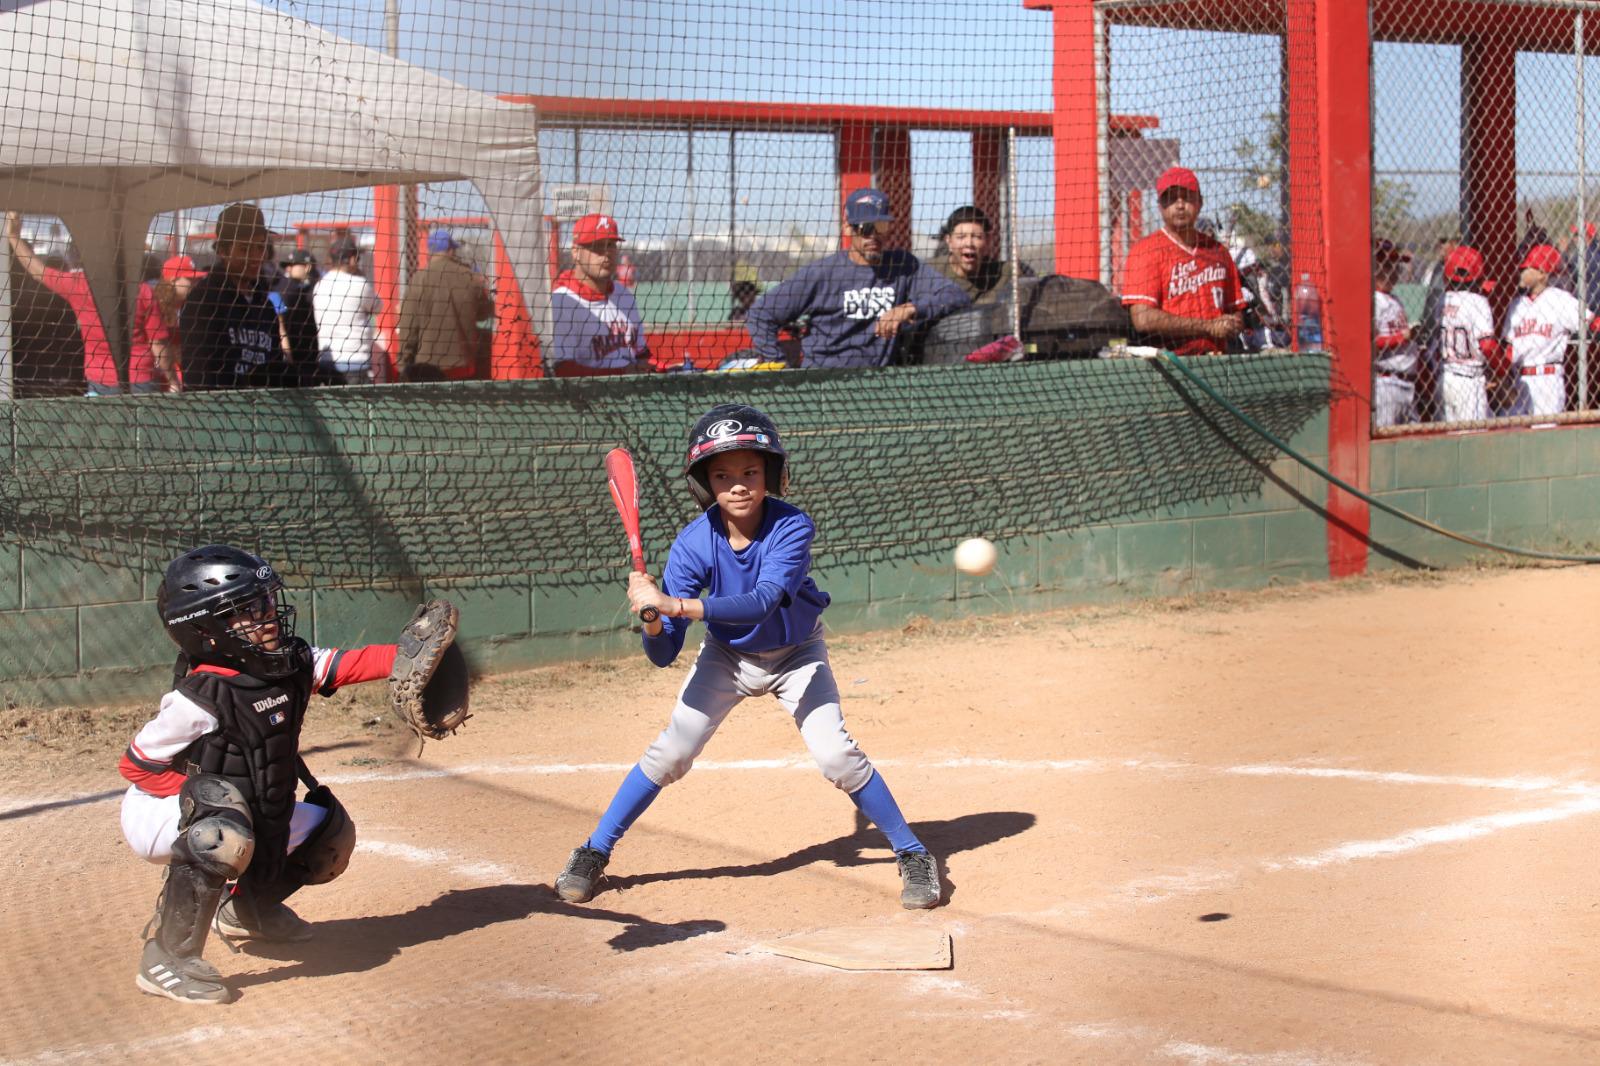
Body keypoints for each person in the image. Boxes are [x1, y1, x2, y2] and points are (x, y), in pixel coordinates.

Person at [553, 404, 942, 911]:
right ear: (704, 484)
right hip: (728, 657)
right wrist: (652, 615)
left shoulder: (792, 527)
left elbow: (762, 600)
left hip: (797, 654)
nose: (738, 485)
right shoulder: (693, 545)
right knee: (670, 752)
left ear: (772, 475)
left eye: (750, 472)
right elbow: (663, 651)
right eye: (723, 475)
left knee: (836, 756)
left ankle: (913, 853)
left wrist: (676, 605)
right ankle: (593, 850)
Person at [119, 545, 416, 1004]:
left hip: (236, 804)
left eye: (264, 602)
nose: (267, 616)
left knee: (328, 835)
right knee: (222, 832)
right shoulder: (201, 696)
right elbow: (137, 766)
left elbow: (347, 664)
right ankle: (166, 958)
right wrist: (203, 804)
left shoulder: (288, 662)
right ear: (205, 629)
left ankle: (247, 909)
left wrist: (412, 658)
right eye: (245, 610)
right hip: (157, 811)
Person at [743, 187, 968, 369]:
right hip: (823, 382)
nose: (873, 235)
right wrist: (781, 368)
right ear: (848, 228)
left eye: (880, 226)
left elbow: (956, 296)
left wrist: (910, 308)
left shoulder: (903, 265)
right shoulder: (823, 273)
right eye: (864, 228)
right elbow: (760, 314)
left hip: (877, 384)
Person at [3, 211, 136, 395]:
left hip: (48, 377)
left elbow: (37, 271)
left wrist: (12, 236)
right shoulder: (133, 288)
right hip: (121, 375)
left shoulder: (78, 286)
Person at [1119, 167, 1245, 355]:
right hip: (1168, 363)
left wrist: (1231, 324)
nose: (1180, 205)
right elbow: (1143, 318)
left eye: (1186, 197)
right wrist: (1208, 326)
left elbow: (1236, 309)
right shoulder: (1145, 252)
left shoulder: (1218, 252)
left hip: (1216, 360)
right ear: (1160, 206)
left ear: (1200, 202)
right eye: (1171, 198)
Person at [178, 203, 285, 390]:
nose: (256, 256)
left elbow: (275, 364)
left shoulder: (264, 305)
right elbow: (198, 375)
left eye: (260, 248)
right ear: (222, 251)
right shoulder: (205, 299)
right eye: (245, 249)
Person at [549, 213, 654, 377]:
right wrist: (622, 374)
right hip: (585, 400)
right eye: (597, 246)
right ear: (575, 252)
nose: (606, 253)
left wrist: (656, 368)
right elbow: (563, 370)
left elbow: (641, 353)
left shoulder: (623, 295)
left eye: (611, 245)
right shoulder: (562, 302)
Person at [1501, 244, 1595, 419]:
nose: (1522, 272)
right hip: (1519, 381)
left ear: (1542, 274)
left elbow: (1591, 321)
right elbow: (1508, 349)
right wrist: (1501, 378)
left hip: (1547, 379)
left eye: (1528, 268)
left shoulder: (1559, 299)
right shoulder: (1516, 305)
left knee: (1544, 433)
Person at [397, 229, 495, 382]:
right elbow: (485, 312)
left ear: (430, 251)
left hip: (428, 370)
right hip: (463, 367)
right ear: (450, 250)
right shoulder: (469, 277)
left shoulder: (418, 279)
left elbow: (408, 328)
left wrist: (403, 364)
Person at [1434, 244, 1498, 424]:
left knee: (1448, 438)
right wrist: (1500, 371)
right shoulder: (1478, 301)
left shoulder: (1442, 300)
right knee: (1472, 440)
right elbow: (1487, 346)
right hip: (1469, 379)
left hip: (1445, 377)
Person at [313, 235, 386, 384]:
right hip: (355, 362)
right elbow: (378, 307)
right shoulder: (359, 284)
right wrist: (361, 276)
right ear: (352, 259)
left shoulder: (319, 285)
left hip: (327, 361)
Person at [929, 205, 1032, 305]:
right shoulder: (929, 273)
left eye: (977, 237)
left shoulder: (1007, 273)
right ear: (949, 241)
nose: (969, 243)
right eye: (961, 237)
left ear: (987, 240)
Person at [131, 255, 204, 393]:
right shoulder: (156, 303)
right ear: (173, 279)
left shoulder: (194, 305)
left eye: (197, 280)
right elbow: (156, 344)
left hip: (184, 370)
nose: (196, 284)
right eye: (191, 280)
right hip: (162, 373)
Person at [1372, 239, 1421, 428]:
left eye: (1395, 265)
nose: (1394, 271)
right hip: (1386, 382)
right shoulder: (1374, 300)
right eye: (1388, 265)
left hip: (1408, 383)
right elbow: (1369, 343)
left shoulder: (1394, 299)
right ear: (1375, 268)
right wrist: (1403, 337)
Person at [271, 248, 321, 380]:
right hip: (292, 356)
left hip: (308, 356)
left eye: (293, 265)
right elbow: (281, 326)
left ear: (307, 267)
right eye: (287, 265)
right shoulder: (284, 289)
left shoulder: (316, 288)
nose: (288, 268)